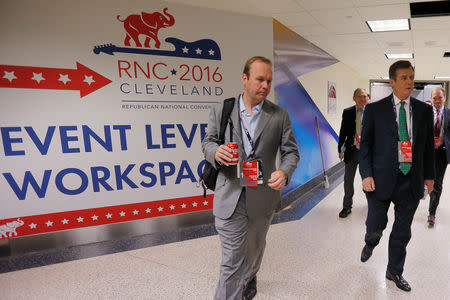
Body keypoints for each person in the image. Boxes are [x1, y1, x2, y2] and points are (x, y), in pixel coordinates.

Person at [202, 56, 299, 300]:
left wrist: (284, 172)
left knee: (254, 252)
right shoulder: (222, 110)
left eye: (268, 81)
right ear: (245, 79)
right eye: (259, 79)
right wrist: (216, 152)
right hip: (230, 195)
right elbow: (208, 142)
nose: (265, 85)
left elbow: (291, 152)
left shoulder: (279, 115)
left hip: (262, 197)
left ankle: (249, 276)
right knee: (232, 262)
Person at [359, 60, 434, 292]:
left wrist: (429, 177)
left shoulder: (424, 110)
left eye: (411, 77)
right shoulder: (374, 109)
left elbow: (428, 146)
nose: (409, 82)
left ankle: (394, 270)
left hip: (410, 179)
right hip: (379, 179)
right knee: (375, 224)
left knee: (403, 231)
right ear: (392, 81)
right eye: (404, 78)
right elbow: (366, 147)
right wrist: (366, 174)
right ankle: (371, 240)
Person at [337, 88, 370, 218]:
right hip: (352, 151)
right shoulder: (348, 112)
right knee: (348, 181)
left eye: (364, 96)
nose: (362, 99)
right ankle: (346, 207)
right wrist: (340, 148)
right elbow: (343, 131)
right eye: (359, 96)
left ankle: (372, 205)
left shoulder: (373, 112)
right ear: (354, 98)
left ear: (368, 98)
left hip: (367, 153)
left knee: (367, 180)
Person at [428, 87, 450, 226]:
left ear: (445, 98)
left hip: (442, 153)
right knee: (427, 180)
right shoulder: (425, 113)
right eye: (434, 98)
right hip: (427, 153)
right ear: (431, 98)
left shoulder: (449, 113)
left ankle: (432, 212)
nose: (437, 101)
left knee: (438, 183)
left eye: (439, 98)